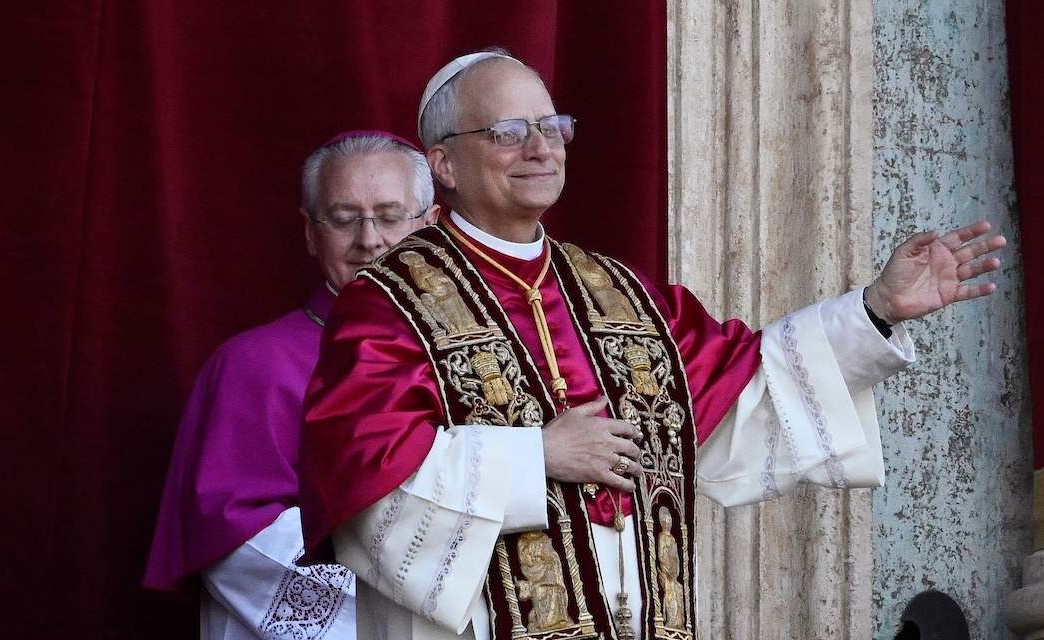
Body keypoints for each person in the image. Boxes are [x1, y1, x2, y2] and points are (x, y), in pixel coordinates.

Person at [298, 51, 1007, 640]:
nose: (541, 149)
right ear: (444, 164)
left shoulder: (620, 292)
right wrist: (534, 457)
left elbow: (744, 392)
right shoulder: (389, 303)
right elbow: (368, 483)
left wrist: (878, 308)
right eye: (510, 131)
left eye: (553, 127)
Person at [143, 130, 439, 639]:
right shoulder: (250, 366)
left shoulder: (476, 355)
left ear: (431, 228)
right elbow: (239, 541)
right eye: (344, 219)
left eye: (391, 217)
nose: (369, 240)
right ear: (310, 233)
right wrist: (427, 599)